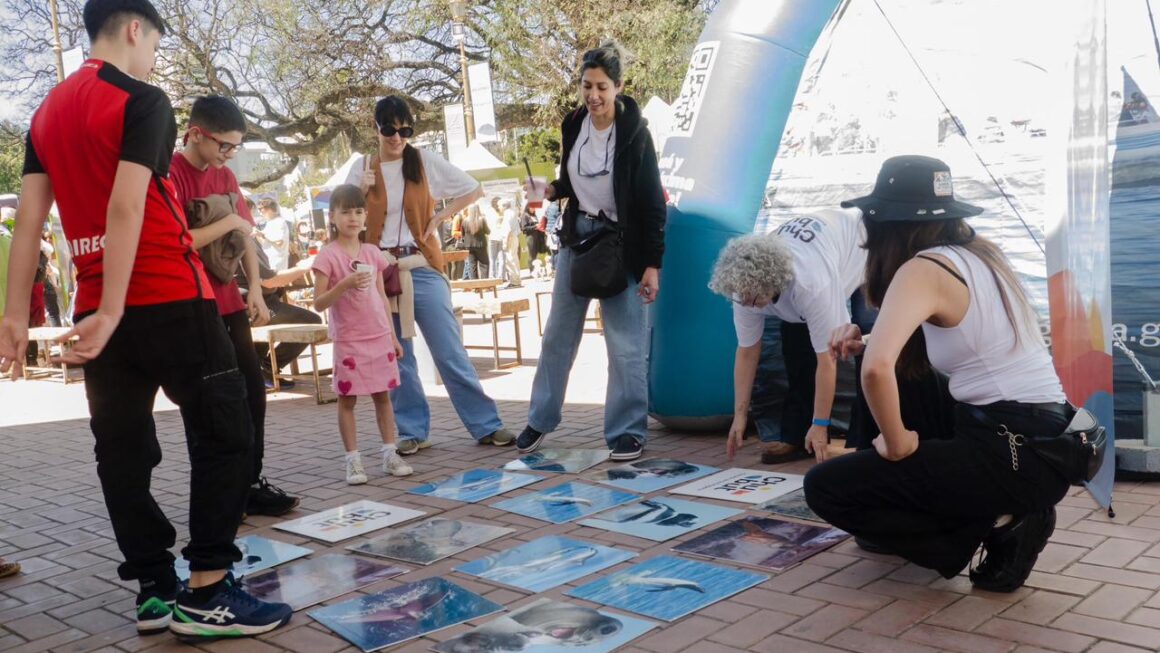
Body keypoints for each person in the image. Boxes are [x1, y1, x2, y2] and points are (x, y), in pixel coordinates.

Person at [0, 0, 291, 638]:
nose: (154, 56)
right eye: (155, 44)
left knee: (123, 455)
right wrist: (112, 307)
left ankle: (156, 589)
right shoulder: (143, 98)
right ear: (135, 29)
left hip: (99, 315)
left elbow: (29, 221)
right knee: (226, 430)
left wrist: (14, 317)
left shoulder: (46, 113)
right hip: (164, 295)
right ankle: (209, 588)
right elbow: (129, 205)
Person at [804, 155, 1073, 593]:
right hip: (1042, 439)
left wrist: (897, 444)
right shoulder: (978, 255)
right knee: (908, 378)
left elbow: (876, 372)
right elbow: (946, 345)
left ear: (887, 225)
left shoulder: (921, 269)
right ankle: (994, 508)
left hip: (1010, 452)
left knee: (824, 489)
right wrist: (867, 339)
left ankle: (995, 524)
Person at [517, 41, 666, 461]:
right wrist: (549, 190)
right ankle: (539, 419)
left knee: (626, 342)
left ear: (618, 86)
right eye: (586, 86)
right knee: (558, 335)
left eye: (602, 86)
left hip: (624, 244)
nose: (594, 95)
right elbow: (571, 179)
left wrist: (653, 265)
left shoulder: (636, 134)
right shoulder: (573, 123)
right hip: (577, 238)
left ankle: (626, 430)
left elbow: (653, 202)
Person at [358, 95, 514, 453]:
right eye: (389, 129)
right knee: (399, 355)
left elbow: (473, 188)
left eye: (405, 130)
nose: (397, 138)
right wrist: (361, 189)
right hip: (381, 271)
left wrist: (440, 218)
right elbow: (342, 213)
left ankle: (486, 424)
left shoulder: (423, 161)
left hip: (421, 266)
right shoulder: (364, 167)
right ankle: (413, 431)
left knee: (449, 350)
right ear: (375, 127)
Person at [169, 95, 300, 518]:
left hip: (230, 298)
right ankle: (220, 494)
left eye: (235, 147)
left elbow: (245, 236)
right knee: (209, 403)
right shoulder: (172, 172)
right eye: (223, 146)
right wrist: (226, 221)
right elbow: (178, 240)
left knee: (251, 394)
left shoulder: (225, 176)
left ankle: (248, 483)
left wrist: (257, 290)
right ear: (195, 134)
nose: (228, 155)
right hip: (191, 302)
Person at [709, 209, 868, 464]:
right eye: (740, 297)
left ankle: (865, 438)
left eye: (752, 297)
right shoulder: (743, 290)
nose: (746, 304)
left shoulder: (810, 284)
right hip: (819, 253)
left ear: (772, 281)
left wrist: (821, 423)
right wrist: (739, 415)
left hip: (864, 250)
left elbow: (827, 360)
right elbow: (748, 351)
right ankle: (797, 435)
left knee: (864, 344)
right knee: (796, 353)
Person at [312, 185, 413, 483]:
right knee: (347, 400)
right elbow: (319, 303)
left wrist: (393, 337)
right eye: (345, 212)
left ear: (366, 216)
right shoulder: (327, 256)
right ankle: (353, 460)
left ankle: (389, 453)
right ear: (332, 217)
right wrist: (344, 284)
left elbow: (382, 297)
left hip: (378, 337)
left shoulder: (372, 253)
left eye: (358, 211)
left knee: (384, 397)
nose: (352, 218)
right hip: (348, 339)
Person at [255, 198, 291, 272]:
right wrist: (257, 234)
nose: (260, 212)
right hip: (270, 262)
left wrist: (262, 234)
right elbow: (265, 243)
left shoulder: (279, 222)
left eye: (261, 209)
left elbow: (279, 242)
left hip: (277, 263)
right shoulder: (270, 223)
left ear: (269, 209)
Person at [459, 202, 490, 280]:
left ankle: (475, 286)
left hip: (469, 245)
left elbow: (462, 234)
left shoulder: (464, 221)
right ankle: (485, 284)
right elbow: (488, 231)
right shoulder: (482, 220)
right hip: (480, 245)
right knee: (484, 264)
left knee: (472, 265)